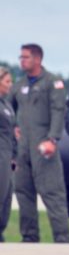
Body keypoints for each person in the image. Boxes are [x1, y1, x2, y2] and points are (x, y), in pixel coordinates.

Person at [12, 44, 69, 243]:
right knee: (23, 191)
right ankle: (29, 236)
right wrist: (14, 127)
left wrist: (53, 139)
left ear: (37, 59)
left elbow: (58, 111)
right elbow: (8, 107)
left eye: (26, 57)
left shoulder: (52, 83)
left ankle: (62, 238)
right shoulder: (19, 86)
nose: (22, 61)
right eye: (21, 57)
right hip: (23, 149)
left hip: (43, 146)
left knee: (52, 192)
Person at [0, 67, 15, 242]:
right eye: (7, 82)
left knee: (7, 194)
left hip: (8, 153)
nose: (10, 85)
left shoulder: (6, 103)